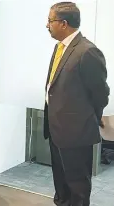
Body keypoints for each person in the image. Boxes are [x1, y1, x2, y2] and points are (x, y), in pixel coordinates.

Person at [44, 2, 110, 206]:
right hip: (56, 128)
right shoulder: (60, 47)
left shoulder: (87, 51)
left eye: (50, 20)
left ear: (63, 24)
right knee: (61, 182)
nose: (46, 25)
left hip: (76, 131)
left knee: (77, 186)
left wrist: (90, 117)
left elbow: (101, 93)